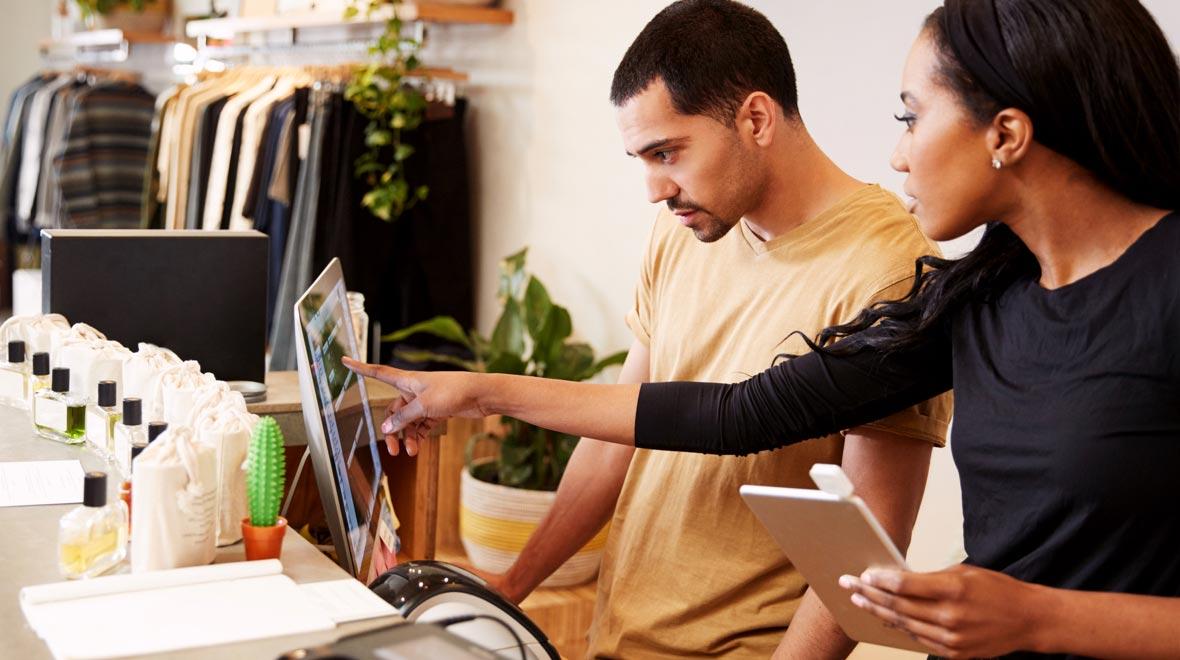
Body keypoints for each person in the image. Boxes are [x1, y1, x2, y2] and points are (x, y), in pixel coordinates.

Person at [346, 0, 1180, 658]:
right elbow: (737, 414)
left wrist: (1043, 619)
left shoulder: (1156, 288)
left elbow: (925, 553)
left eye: (909, 116)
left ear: (1005, 134)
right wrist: (479, 395)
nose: (897, 154)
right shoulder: (977, 298)